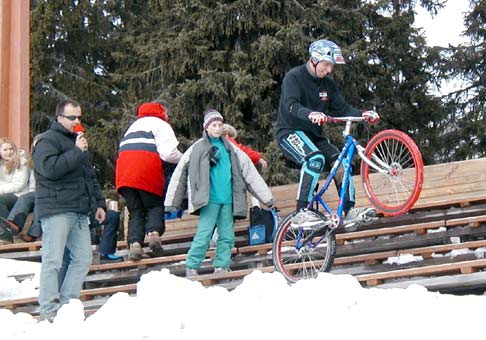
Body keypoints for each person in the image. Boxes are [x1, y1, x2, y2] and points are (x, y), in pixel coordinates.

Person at [275, 39, 380, 232]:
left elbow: (343, 109)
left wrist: (363, 114)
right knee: (315, 159)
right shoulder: (294, 77)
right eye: (326, 64)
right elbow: (291, 105)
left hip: (314, 136)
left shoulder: (328, 85)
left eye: (331, 66)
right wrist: (310, 114)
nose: (329, 70)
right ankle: (301, 213)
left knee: (342, 164)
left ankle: (349, 211)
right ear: (314, 60)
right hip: (289, 132)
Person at [164, 109, 273, 277]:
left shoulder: (231, 148)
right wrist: (171, 201)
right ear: (206, 127)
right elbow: (179, 173)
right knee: (204, 233)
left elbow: (249, 171)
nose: (217, 128)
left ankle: (221, 265)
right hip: (208, 199)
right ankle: (192, 265)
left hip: (228, 199)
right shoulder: (197, 148)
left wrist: (266, 198)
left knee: (227, 235)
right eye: (213, 125)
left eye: (220, 125)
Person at [32, 99, 106, 320]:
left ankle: (67, 305)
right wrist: (76, 151)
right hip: (56, 209)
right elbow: (49, 169)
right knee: (52, 260)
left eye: (79, 117)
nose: (77, 121)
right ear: (59, 118)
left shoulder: (77, 142)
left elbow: (88, 176)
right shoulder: (46, 141)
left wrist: (99, 203)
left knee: (84, 258)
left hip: (79, 209)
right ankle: (47, 310)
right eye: (72, 117)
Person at [115, 101, 182, 261]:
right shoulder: (161, 125)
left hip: (124, 173)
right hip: (146, 170)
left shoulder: (133, 126)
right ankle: (153, 234)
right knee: (154, 205)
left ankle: (135, 244)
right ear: (162, 111)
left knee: (135, 210)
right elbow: (168, 154)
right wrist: (183, 159)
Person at [0, 138, 30, 243]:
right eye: (5, 150)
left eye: (11, 149)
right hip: (6, 195)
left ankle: (7, 233)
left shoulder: (21, 162)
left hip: (19, 195)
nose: (9, 152)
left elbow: (18, 185)